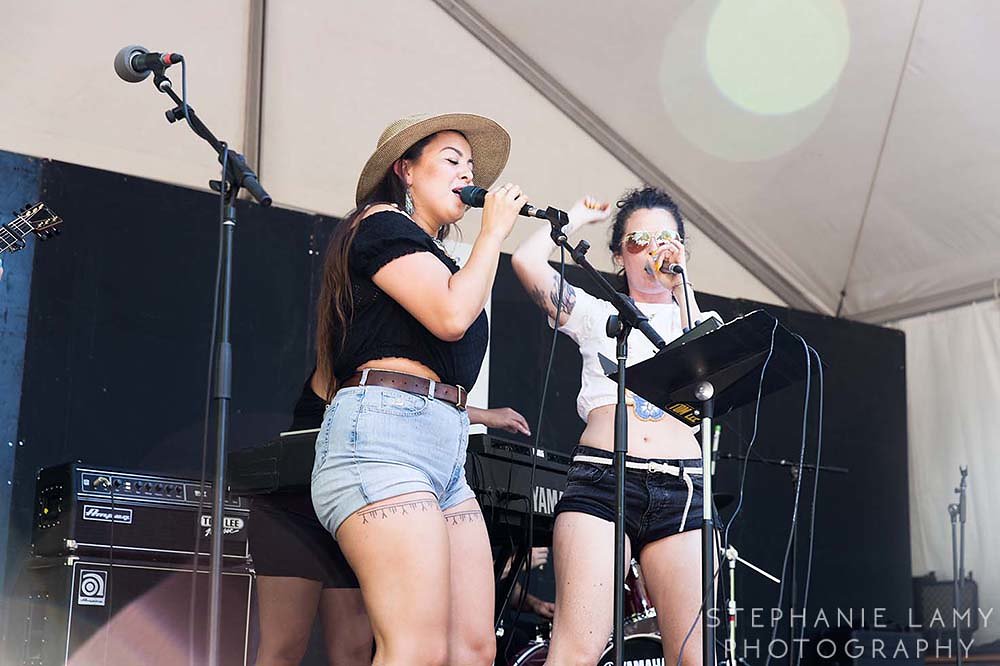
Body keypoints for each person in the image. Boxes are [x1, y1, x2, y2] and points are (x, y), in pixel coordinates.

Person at [310, 112, 526, 666]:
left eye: (470, 166)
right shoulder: (379, 223)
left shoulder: (440, 257)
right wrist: (494, 233)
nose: (466, 174)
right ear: (405, 170)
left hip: (445, 448)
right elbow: (452, 315)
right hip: (383, 438)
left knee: (474, 649)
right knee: (416, 648)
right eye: (451, 160)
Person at [511, 187, 718, 666]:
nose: (652, 250)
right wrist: (575, 219)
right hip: (605, 479)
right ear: (618, 255)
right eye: (638, 240)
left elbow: (705, 368)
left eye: (666, 240)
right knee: (576, 652)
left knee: (694, 657)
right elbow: (525, 261)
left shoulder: (700, 318)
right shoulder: (595, 311)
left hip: (682, 488)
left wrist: (680, 281)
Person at [250, 369, 530, 666]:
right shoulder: (351, 367)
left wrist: (480, 415)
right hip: (296, 512)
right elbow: (402, 394)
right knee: (284, 649)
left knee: (354, 650)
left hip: (365, 513)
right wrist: (485, 415)